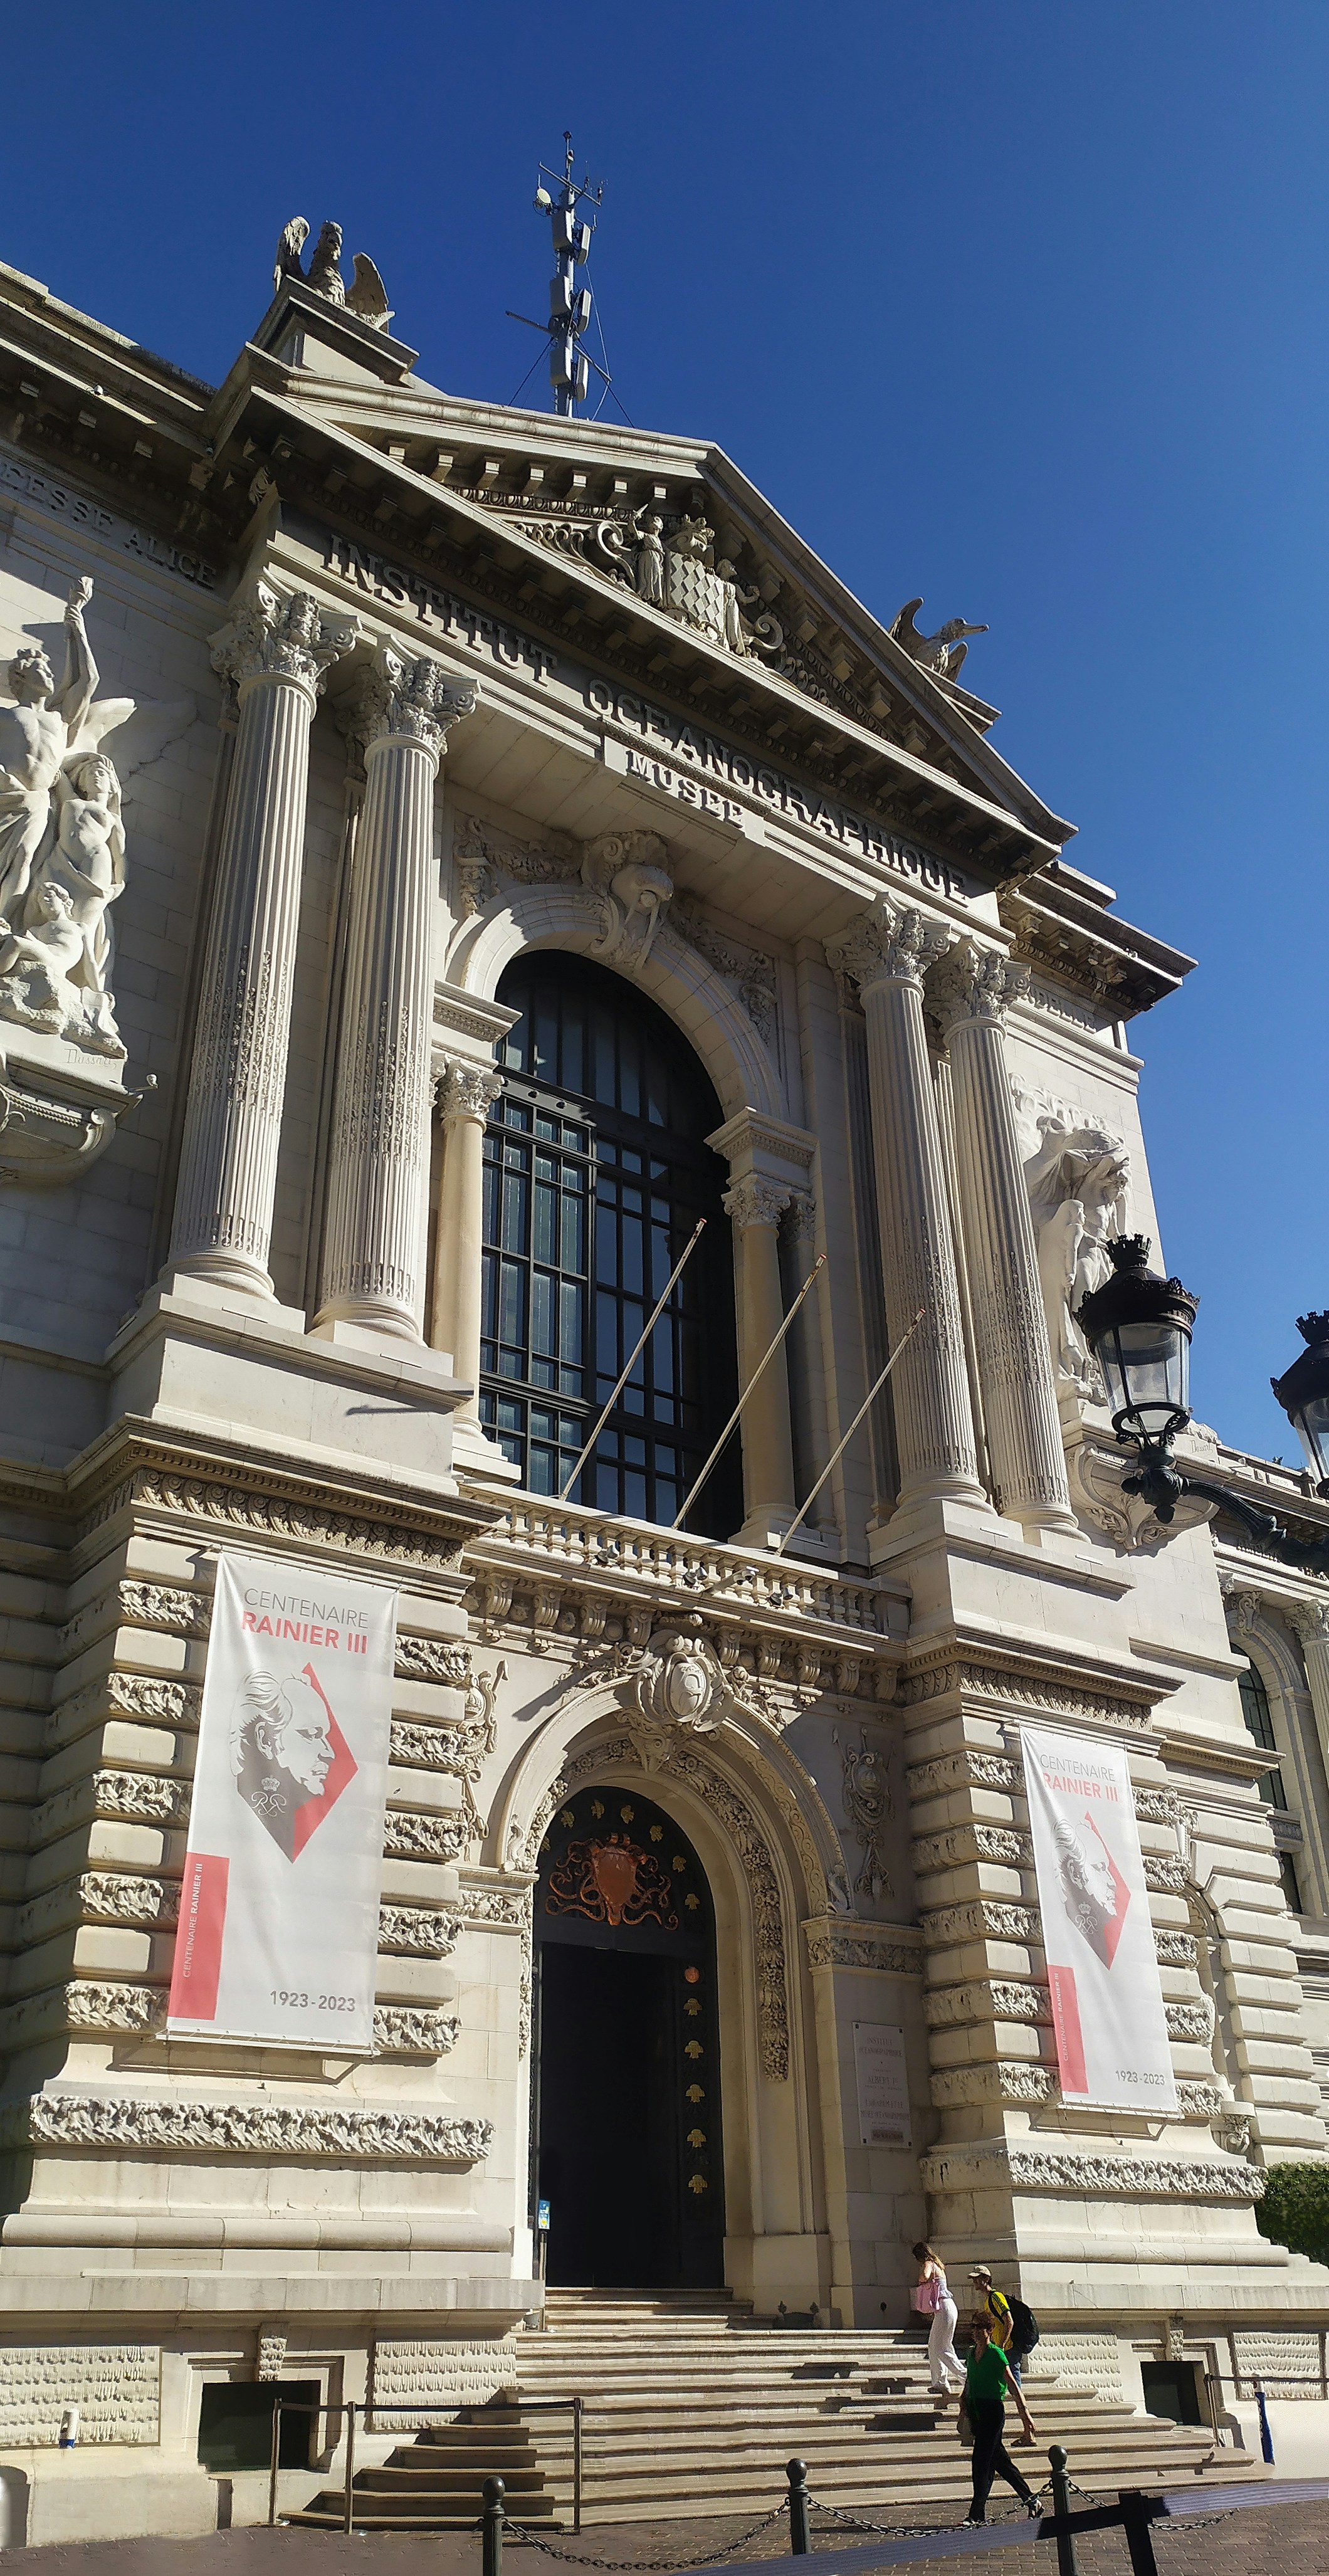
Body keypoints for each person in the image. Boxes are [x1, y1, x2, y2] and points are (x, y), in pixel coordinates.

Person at [961, 2317, 1039, 2525]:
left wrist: (1025, 2415)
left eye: (980, 2328)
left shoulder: (996, 2354)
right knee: (1002, 2464)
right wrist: (963, 2410)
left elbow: (1013, 2386)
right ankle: (1033, 2501)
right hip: (976, 2411)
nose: (976, 2331)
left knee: (981, 2462)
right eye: (973, 2327)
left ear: (989, 2330)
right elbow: (969, 2382)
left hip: (993, 2412)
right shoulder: (971, 2353)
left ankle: (976, 2514)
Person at [911, 2241, 965, 2397]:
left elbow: (925, 2277)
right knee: (937, 2346)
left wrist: (921, 2276)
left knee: (940, 2348)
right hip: (946, 2307)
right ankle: (940, 2383)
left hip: (943, 2308)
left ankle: (966, 2376)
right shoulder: (939, 2265)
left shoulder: (929, 2263)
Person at [969, 2264, 1036, 2385]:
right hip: (1001, 2346)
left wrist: (1002, 2345)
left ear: (986, 2279)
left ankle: (1019, 2402)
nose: (974, 2281)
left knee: (1013, 2376)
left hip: (1009, 2346)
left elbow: (1009, 2321)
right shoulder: (988, 2301)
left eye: (977, 2278)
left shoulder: (996, 2297)